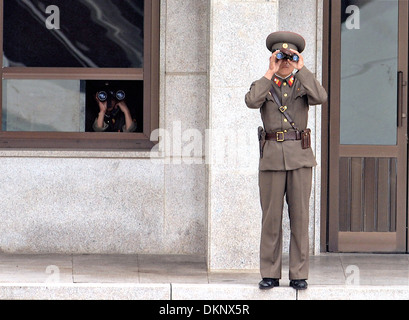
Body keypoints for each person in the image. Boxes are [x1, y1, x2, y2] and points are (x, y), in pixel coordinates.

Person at [245, 31, 327, 290]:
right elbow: (250, 101)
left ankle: (298, 274)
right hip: (270, 159)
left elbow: (321, 97)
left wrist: (301, 68)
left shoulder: (303, 85)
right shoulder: (263, 85)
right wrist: (270, 72)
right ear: (273, 58)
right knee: (271, 218)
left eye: (289, 57)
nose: (285, 61)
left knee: (300, 217)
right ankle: (269, 273)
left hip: (300, 158)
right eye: (280, 56)